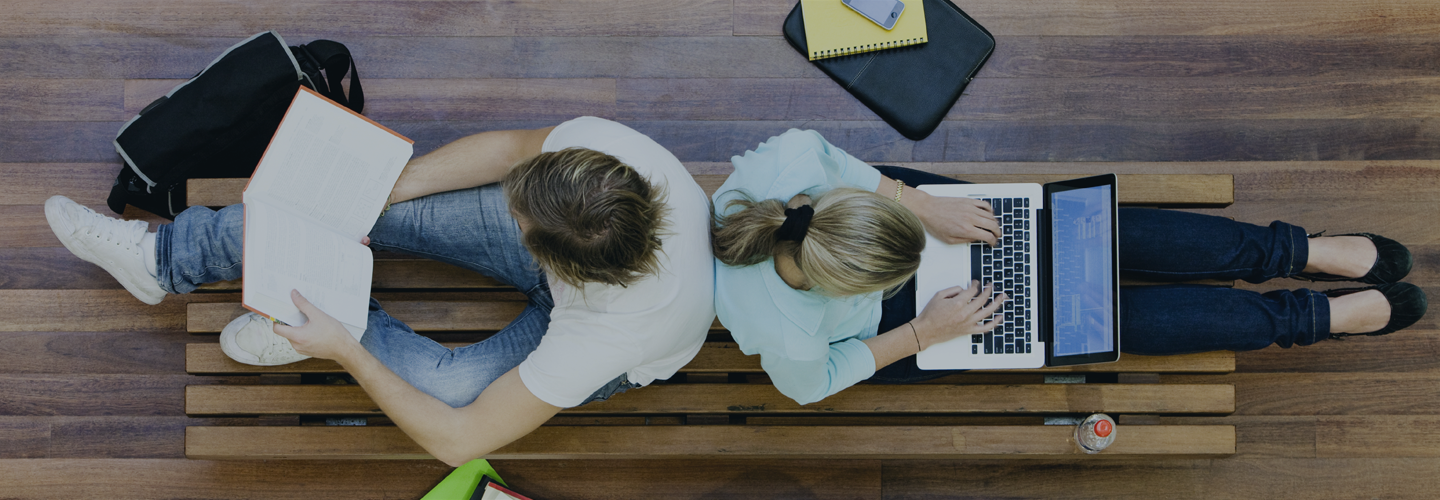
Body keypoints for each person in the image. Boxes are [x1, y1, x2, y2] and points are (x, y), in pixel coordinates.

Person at [45, 117, 716, 466]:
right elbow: (513, 146)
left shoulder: (610, 334)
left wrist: (346, 350)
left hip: (613, 341)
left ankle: (325, 324)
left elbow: (461, 439)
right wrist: (388, 192)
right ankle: (161, 259)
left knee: (449, 391)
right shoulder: (603, 158)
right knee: (348, 203)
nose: (506, 209)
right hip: (591, 265)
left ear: (547, 254)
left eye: (518, 218)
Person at [711, 129, 1427, 405]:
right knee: (1093, 321)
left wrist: (925, 208)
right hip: (903, 326)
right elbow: (816, 384)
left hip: (909, 215)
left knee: (1089, 237)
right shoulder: (784, 335)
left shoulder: (785, 170)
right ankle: (1304, 318)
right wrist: (926, 333)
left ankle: (1293, 251)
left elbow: (837, 163)